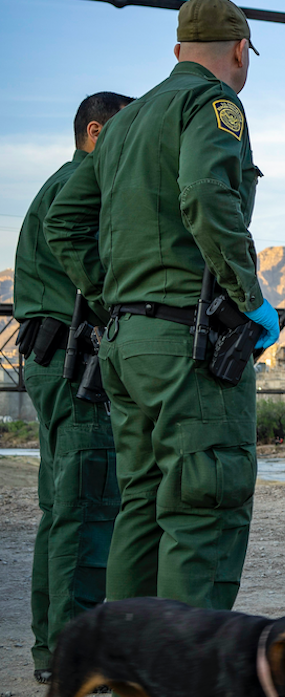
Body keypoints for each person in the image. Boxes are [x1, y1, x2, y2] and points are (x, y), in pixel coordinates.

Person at [44, 0, 276, 611]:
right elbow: (205, 195)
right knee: (205, 505)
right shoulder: (212, 104)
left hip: (126, 346)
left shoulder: (122, 123)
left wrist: (109, 296)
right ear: (238, 50)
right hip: (187, 346)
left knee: (142, 507)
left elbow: (64, 222)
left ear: (176, 51)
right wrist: (249, 299)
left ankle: (131, 673)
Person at [17, 91, 132, 685]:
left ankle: (54, 648)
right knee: (87, 512)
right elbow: (82, 252)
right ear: (94, 131)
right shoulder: (82, 183)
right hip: (72, 367)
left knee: (62, 512)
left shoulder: (62, 180)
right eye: (122, 132)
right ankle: (72, 655)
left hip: (55, 362)